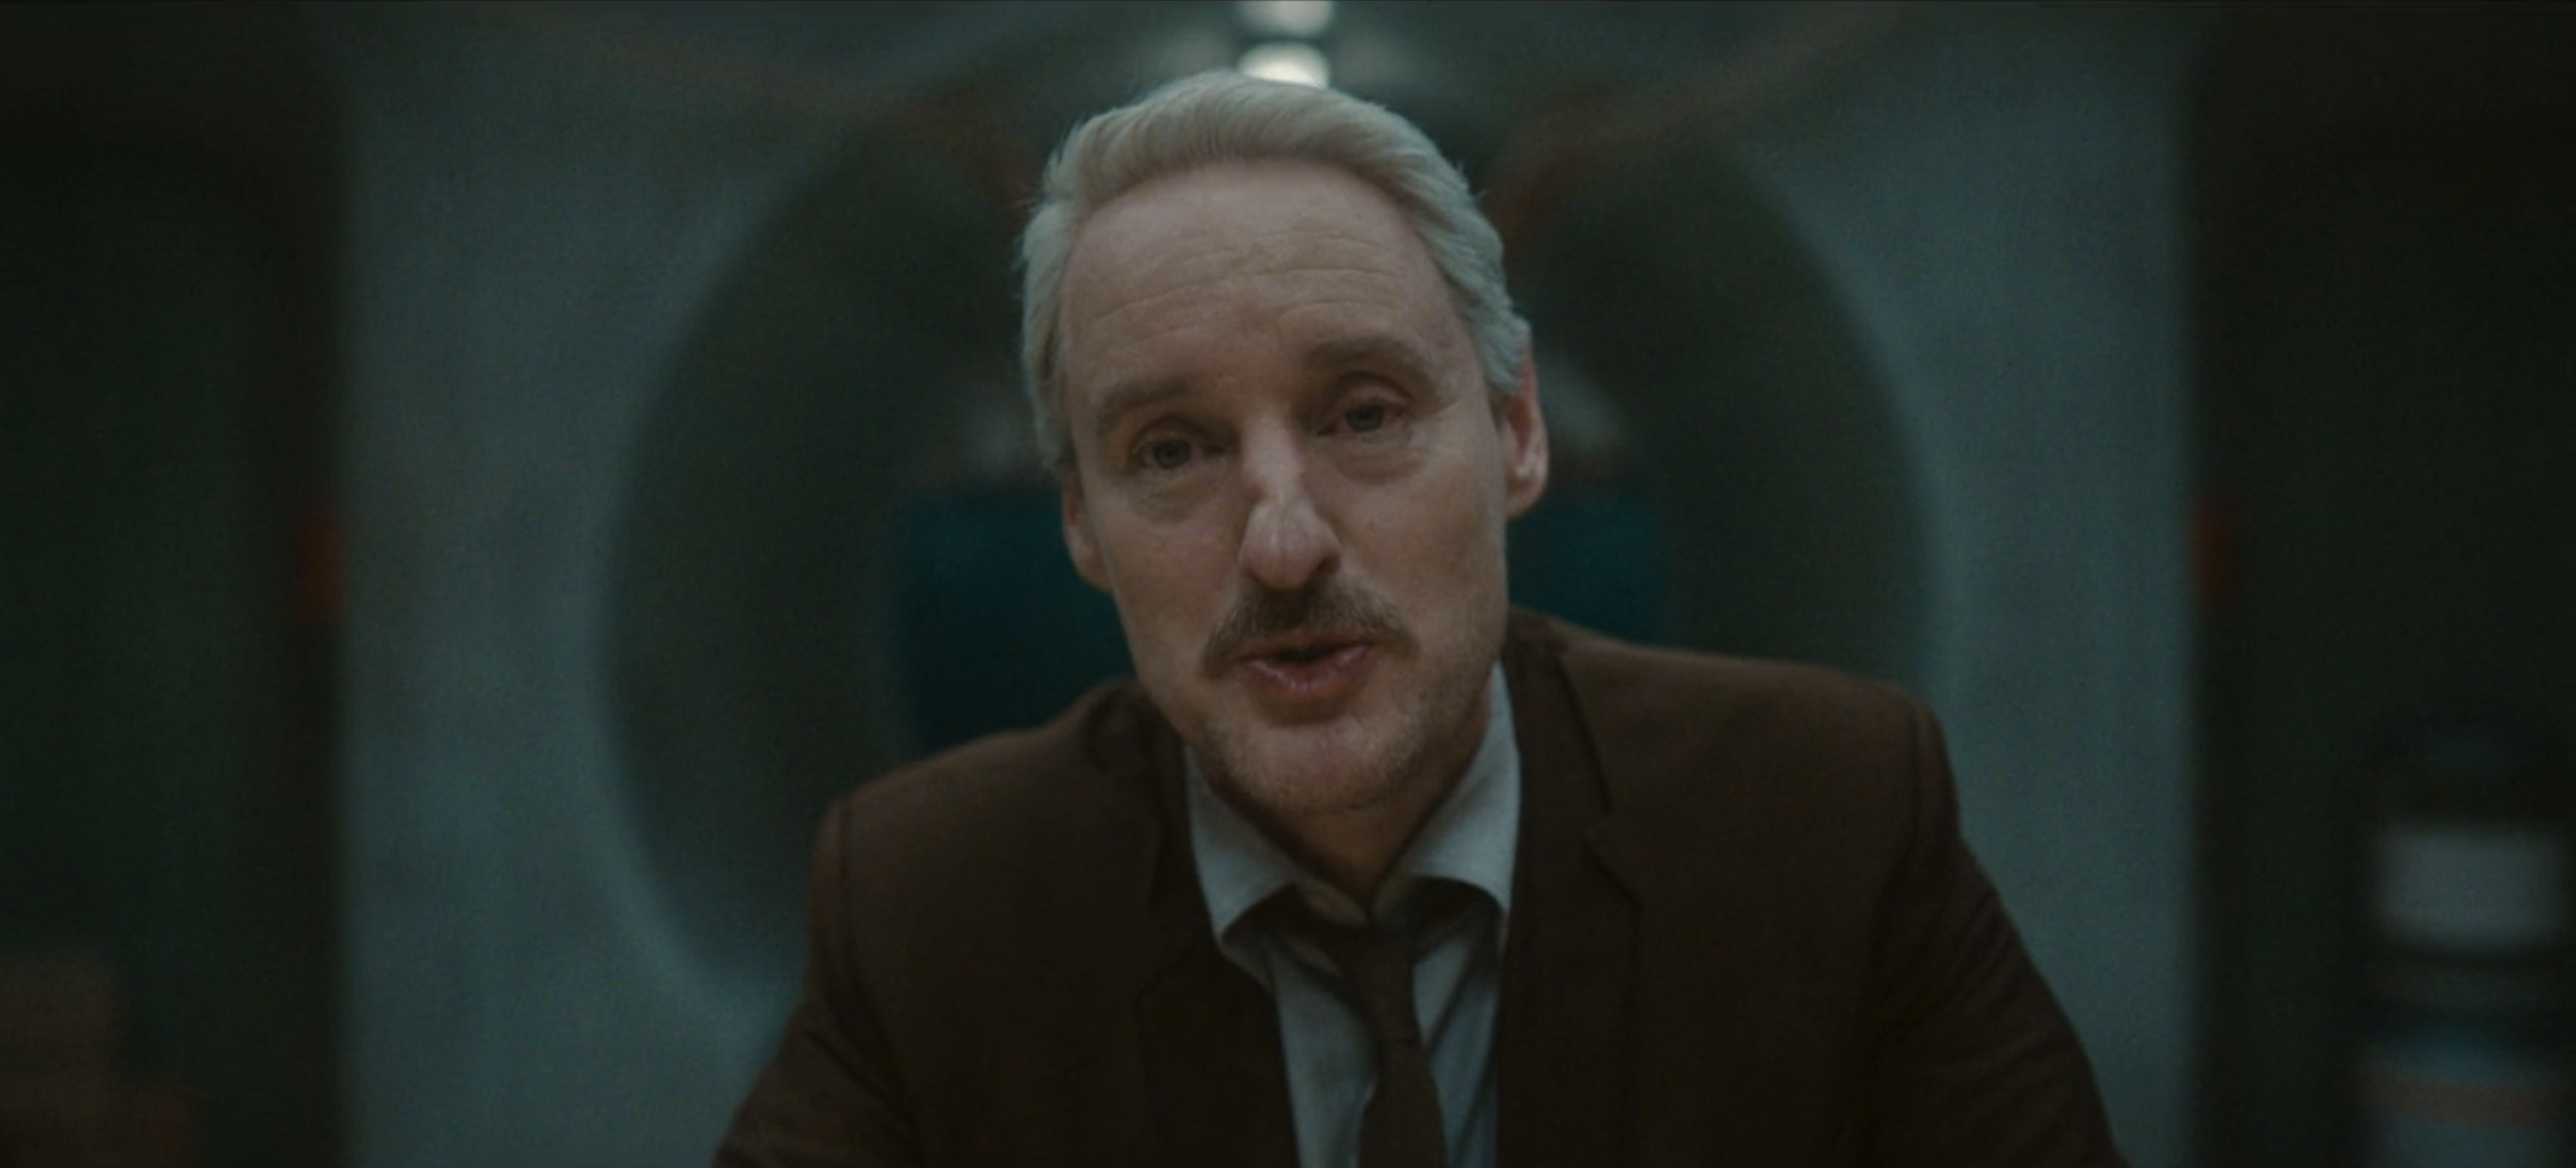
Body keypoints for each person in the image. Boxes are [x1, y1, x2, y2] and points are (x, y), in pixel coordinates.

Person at [715, 70, 2124, 1168]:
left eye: (1366, 415)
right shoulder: (932, 911)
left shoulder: (1828, 826)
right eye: (1171, 451)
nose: (1283, 545)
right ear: (1080, 520)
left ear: (1517, 433)